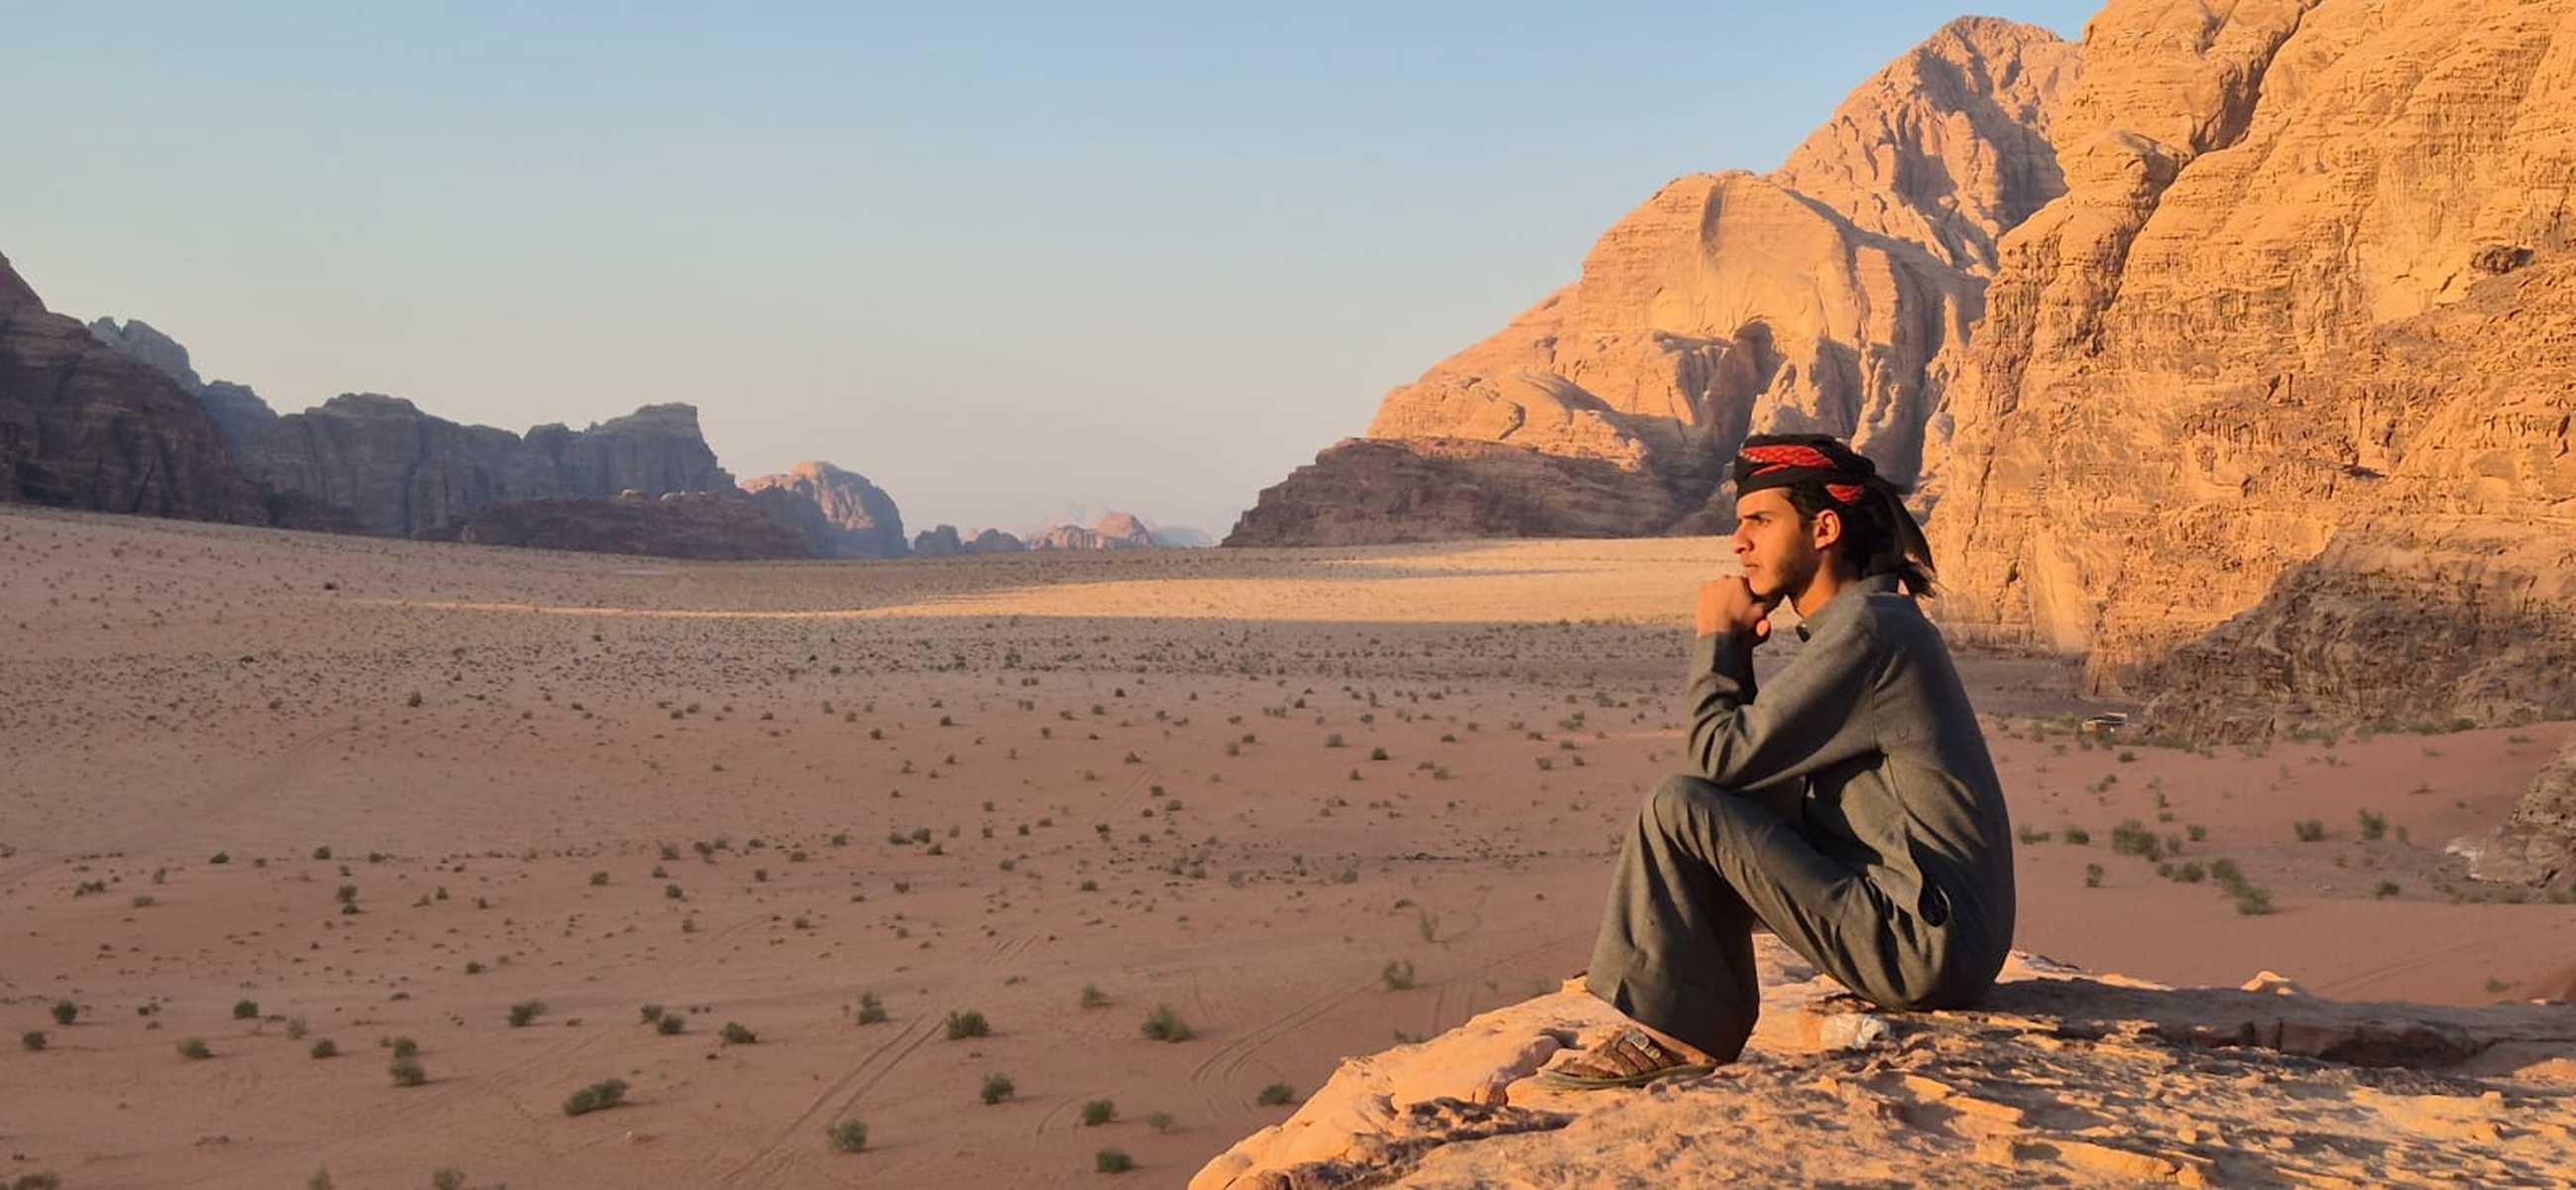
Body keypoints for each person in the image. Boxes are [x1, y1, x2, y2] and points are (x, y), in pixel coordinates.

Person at [1539, 433, 2017, 1089]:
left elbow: (1718, 759)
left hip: (1923, 947)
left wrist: (1716, 640)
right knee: (1733, 807)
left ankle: (1676, 1035)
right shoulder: (1871, 624)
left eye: (1758, 522)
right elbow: (1756, 772)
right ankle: (1691, 1019)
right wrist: (1736, 655)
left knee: (1678, 806)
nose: (1738, 543)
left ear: (1823, 528)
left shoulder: (1871, 631)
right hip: (1934, 942)